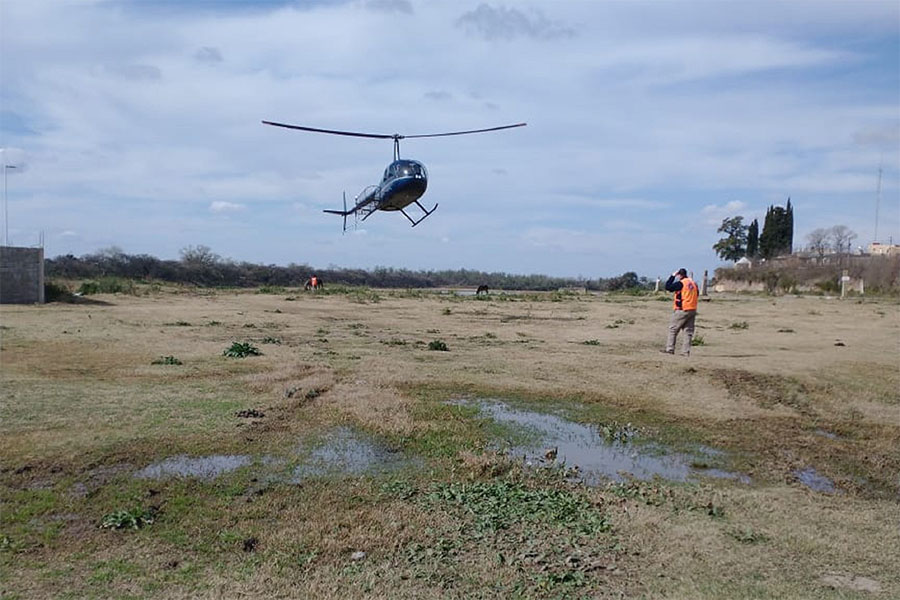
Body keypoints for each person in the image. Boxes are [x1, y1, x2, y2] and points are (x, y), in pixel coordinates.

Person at [663, 268, 698, 356]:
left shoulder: (681, 283)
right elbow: (697, 294)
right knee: (688, 332)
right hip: (692, 309)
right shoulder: (693, 283)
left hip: (682, 309)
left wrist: (672, 276)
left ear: (679, 275)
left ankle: (670, 349)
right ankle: (685, 352)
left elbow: (668, 287)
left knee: (673, 329)